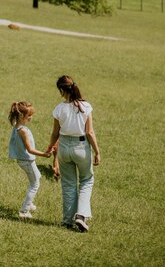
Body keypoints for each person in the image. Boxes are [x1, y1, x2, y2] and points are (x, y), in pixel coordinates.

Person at [46, 75, 101, 232]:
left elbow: (55, 133)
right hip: (81, 146)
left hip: (63, 147)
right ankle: (81, 216)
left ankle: (67, 220)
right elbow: (89, 132)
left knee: (68, 183)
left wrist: (50, 147)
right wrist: (97, 151)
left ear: (62, 90)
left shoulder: (58, 109)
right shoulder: (86, 107)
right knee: (86, 180)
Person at [8, 101, 52, 219]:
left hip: (23, 160)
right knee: (35, 184)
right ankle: (24, 211)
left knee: (37, 177)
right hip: (27, 161)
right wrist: (44, 154)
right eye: (29, 116)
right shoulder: (23, 130)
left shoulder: (17, 125)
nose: (31, 118)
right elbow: (30, 149)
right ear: (22, 116)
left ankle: (29, 202)